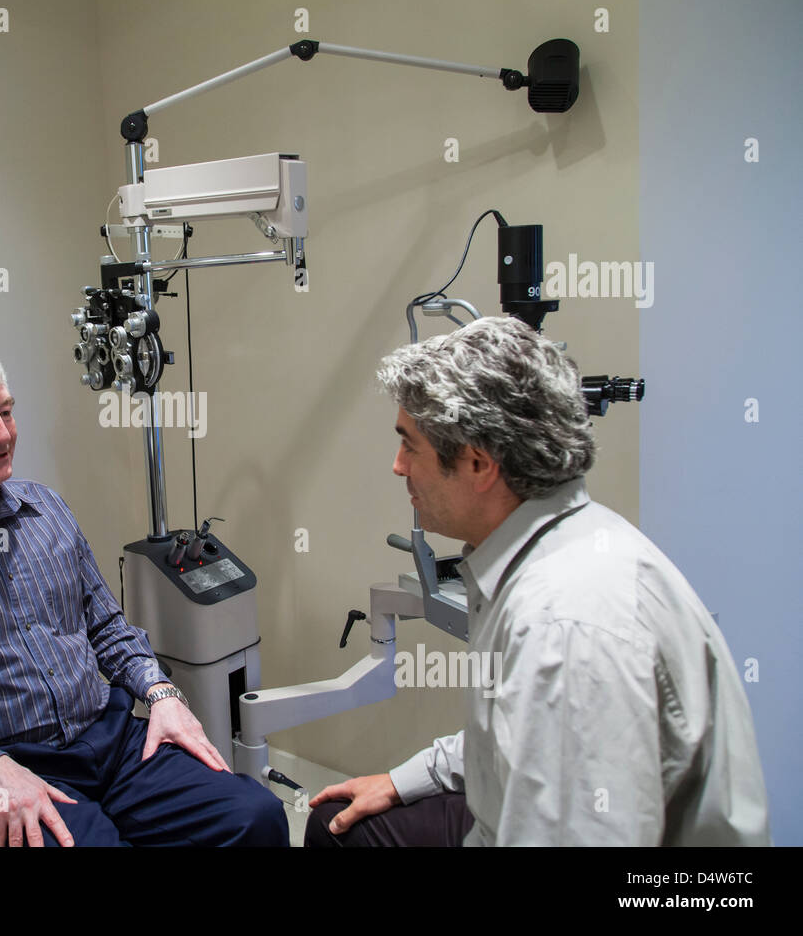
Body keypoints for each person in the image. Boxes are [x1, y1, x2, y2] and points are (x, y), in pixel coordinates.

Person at [305, 316, 770, 846]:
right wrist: (403, 781)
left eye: (409, 446)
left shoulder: (564, 626)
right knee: (337, 826)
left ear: (479, 463)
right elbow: (520, 740)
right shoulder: (555, 543)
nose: (397, 466)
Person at [0, 342, 288, 846]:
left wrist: (161, 693)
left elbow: (108, 628)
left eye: (7, 411)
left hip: (110, 741)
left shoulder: (46, 509)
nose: (2, 433)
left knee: (255, 817)